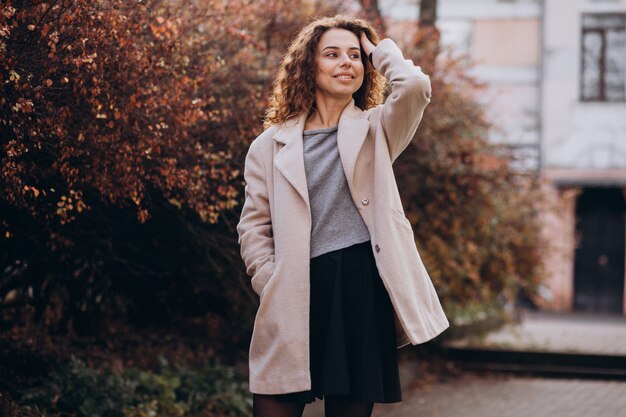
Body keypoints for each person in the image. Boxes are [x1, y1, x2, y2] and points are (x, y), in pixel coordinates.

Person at [236, 14, 449, 417]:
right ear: (308, 65)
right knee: (272, 404)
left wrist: (379, 51)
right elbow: (253, 226)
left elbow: (416, 87)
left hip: (360, 290)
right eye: (332, 54)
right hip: (294, 290)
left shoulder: (377, 129)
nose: (345, 63)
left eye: (354, 56)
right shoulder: (268, 146)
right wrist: (269, 279)